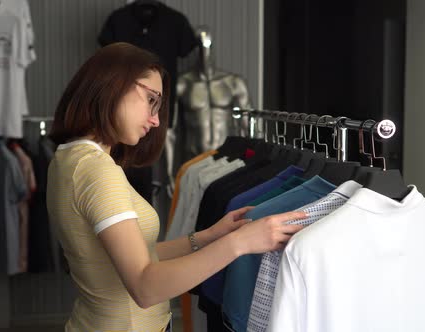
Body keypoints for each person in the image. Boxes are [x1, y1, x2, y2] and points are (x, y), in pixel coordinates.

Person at [46, 42, 306, 332]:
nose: (156, 120)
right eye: (151, 99)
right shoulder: (97, 170)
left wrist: (207, 237)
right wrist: (241, 243)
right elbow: (145, 286)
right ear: (113, 84)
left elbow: (132, 255)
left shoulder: (70, 158)